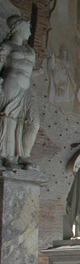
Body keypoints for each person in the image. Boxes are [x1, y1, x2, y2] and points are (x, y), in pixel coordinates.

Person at [0, 15, 40, 168]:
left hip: (25, 87)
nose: (29, 33)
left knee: (34, 122)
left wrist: (40, 72)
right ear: (18, 27)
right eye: (27, 29)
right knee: (9, 119)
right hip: (11, 83)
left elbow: (28, 72)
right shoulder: (7, 46)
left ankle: (24, 155)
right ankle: (8, 157)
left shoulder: (30, 50)